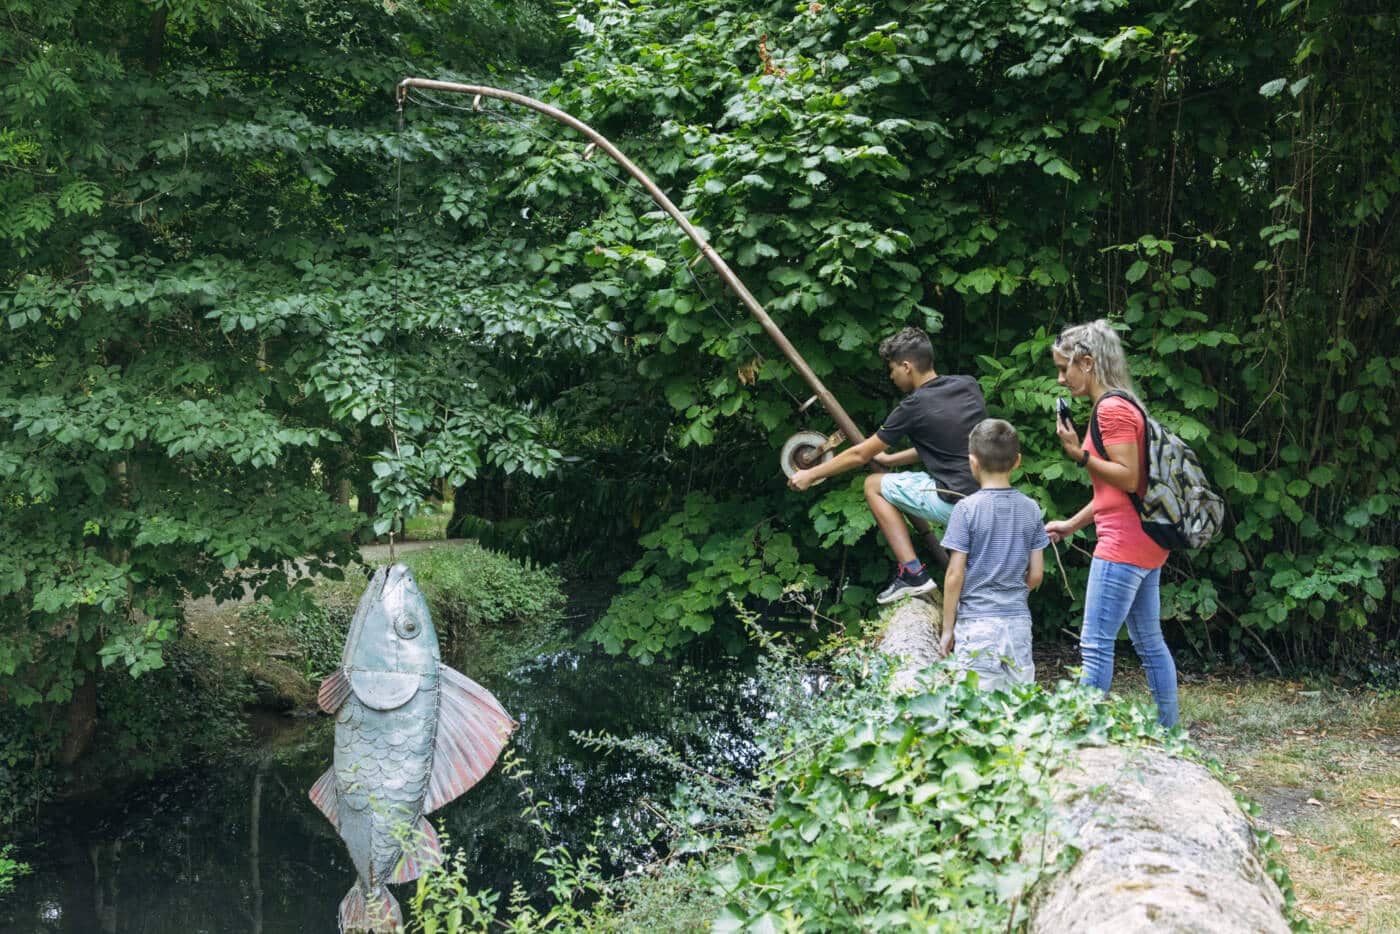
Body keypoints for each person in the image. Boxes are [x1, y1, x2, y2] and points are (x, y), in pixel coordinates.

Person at [788, 326, 987, 604]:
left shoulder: (913, 406)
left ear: (907, 366)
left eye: (892, 369)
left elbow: (859, 455)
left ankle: (912, 573)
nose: (891, 377)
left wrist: (811, 474)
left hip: (956, 503)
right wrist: (890, 459)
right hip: (988, 498)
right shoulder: (968, 385)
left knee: (873, 486)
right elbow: (949, 442)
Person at [1044, 319, 1179, 727]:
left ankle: (1082, 738)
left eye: (1065, 368)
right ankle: (1169, 733)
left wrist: (1077, 453)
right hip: (1143, 540)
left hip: (1123, 544)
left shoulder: (1112, 410)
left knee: (1096, 644)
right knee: (1148, 641)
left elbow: (1128, 476)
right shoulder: (1123, 403)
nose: (1061, 378)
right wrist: (1072, 523)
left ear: (1088, 363)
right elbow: (1114, 493)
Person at [939, 419, 1048, 689]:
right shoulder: (1031, 509)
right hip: (1018, 622)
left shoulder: (966, 509)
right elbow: (1036, 575)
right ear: (1017, 461)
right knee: (1020, 704)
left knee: (978, 708)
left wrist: (947, 629)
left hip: (976, 623)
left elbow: (954, 575)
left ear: (973, 462)